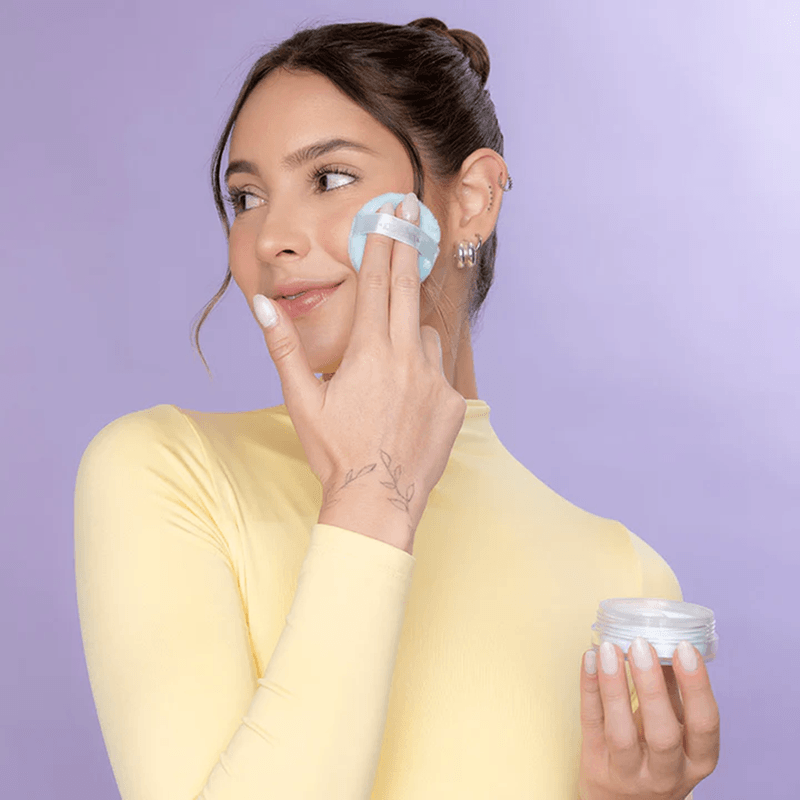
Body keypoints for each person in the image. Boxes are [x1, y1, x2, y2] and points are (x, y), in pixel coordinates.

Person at [74, 17, 719, 800]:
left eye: (330, 178)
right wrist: (372, 499)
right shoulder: (166, 473)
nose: (270, 237)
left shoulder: (627, 577)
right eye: (246, 196)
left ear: (472, 200)